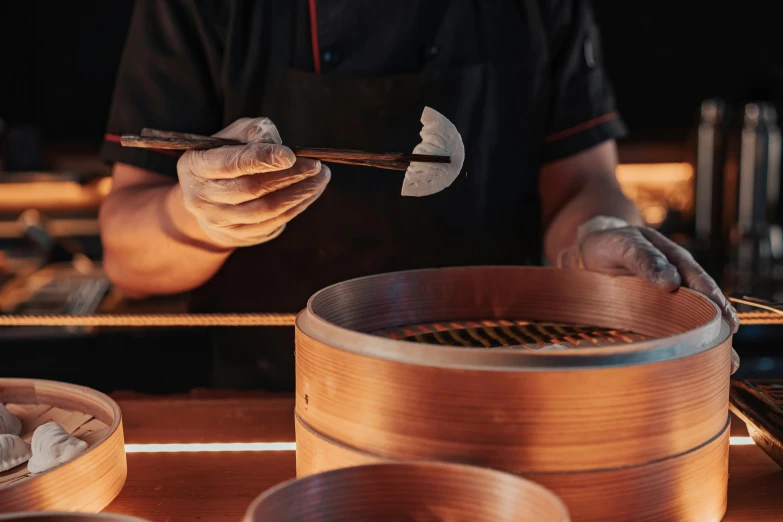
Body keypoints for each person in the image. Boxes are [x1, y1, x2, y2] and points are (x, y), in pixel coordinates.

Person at [99, 0, 739, 390]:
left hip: (506, 382)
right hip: (279, 394)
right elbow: (127, 255)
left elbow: (582, 184)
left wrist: (597, 233)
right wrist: (200, 215)